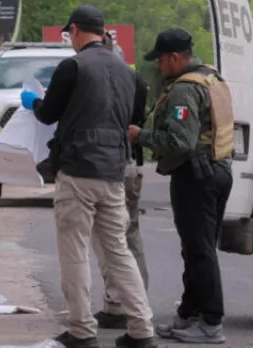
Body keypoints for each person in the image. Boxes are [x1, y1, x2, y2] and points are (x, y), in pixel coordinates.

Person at [22, 5, 157, 348]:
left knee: (75, 250)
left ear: (77, 31)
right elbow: (133, 119)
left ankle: (82, 330)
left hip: (79, 170)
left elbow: (49, 114)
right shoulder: (129, 74)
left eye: (70, 34)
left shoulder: (73, 66)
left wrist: (34, 103)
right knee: (118, 251)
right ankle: (142, 330)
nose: (70, 39)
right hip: (115, 172)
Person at [130, 29, 236, 344]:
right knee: (195, 248)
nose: (159, 67)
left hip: (196, 176)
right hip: (218, 170)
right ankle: (189, 314)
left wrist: (141, 136)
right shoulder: (212, 78)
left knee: (200, 251)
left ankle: (211, 323)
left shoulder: (184, 90)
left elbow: (180, 143)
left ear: (175, 57)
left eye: (161, 60)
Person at [94, 35, 151, 331]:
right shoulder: (136, 80)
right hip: (132, 163)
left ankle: (117, 305)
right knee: (131, 234)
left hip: (106, 164)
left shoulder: (93, 79)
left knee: (109, 238)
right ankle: (138, 300)